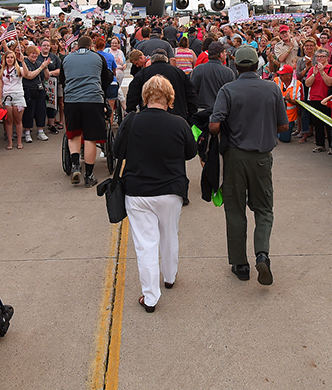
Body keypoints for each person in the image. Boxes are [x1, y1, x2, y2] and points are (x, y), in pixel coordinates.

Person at [116, 75, 197, 313]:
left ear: (145, 96)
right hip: (171, 190)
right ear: (170, 98)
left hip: (138, 190)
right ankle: (169, 277)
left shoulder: (131, 121)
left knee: (146, 244)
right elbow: (191, 152)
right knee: (170, 234)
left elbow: (116, 150)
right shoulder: (180, 123)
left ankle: (150, 296)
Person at [209, 46, 289, 285]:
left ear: (236, 65)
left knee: (235, 209)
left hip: (234, 156)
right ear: (257, 65)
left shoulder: (228, 89)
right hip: (262, 158)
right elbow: (284, 126)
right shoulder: (272, 88)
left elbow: (214, 126)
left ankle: (240, 264)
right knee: (264, 209)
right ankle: (262, 254)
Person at [60, 36, 110, 187]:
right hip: (92, 100)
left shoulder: (67, 59)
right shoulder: (98, 58)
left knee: (73, 134)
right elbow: (105, 79)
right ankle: (89, 175)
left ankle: (75, 165)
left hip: (72, 100)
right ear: (91, 45)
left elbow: (63, 79)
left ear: (77, 45)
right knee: (90, 138)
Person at [125, 48, 197, 120]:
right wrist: (192, 115)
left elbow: (132, 94)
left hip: (149, 118)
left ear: (152, 59)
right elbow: (190, 94)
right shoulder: (179, 73)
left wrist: (131, 114)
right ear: (166, 59)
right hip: (177, 116)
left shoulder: (142, 74)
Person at [189, 41, 234, 112]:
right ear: (221, 55)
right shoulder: (228, 72)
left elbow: (192, 91)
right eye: (224, 52)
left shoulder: (198, 69)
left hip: (202, 110)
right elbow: (231, 96)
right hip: (221, 111)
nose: (226, 54)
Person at [21, 43, 50, 143]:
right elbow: (29, 75)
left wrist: (45, 67)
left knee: (41, 111)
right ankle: (27, 132)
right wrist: (41, 67)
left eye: (36, 54)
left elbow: (46, 76)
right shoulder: (24, 63)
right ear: (28, 54)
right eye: (32, 53)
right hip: (29, 90)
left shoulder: (39, 63)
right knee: (29, 112)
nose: (34, 56)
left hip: (40, 90)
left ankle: (40, 131)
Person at [0, 49, 26, 150]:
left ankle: (19, 141)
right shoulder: (2, 70)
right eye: (8, 57)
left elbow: (26, 74)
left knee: (18, 121)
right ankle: (10, 142)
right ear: (5, 59)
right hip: (7, 97)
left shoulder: (18, 68)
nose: (9, 59)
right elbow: (0, 86)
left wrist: (23, 61)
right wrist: (0, 99)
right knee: (8, 121)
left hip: (18, 96)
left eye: (11, 57)